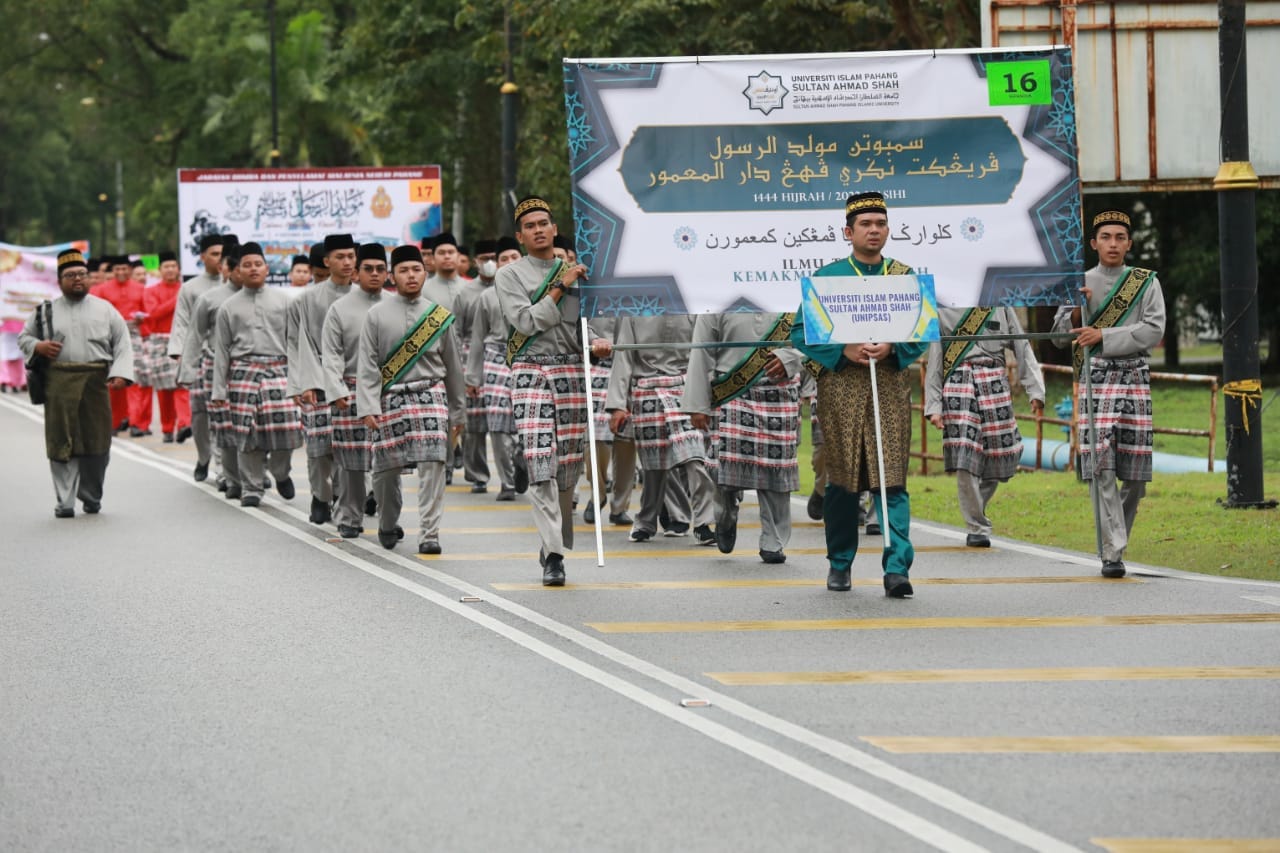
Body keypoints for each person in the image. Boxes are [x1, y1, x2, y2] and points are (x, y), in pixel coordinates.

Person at [790, 191, 929, 597]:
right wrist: (842, 350)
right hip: (841, 388)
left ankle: (897, 568)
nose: (874, 230)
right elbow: (801, 331)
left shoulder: (903, 277)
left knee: (892, 478)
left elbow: (921, 328)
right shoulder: (828, 277)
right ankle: (840, 564)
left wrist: (892, 347)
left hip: (887, 384)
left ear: (888, 230)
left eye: (880, 224)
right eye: (866, 225)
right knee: (843, 480)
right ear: (849, 232)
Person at [495, 196, 611, 586]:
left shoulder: (578, 271)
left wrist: (597, 342)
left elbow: (583, 326)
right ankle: (555, 558)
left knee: (567, 467)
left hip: (570, 371)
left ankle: (552, 542)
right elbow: (526, 323)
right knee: (540, 461)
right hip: (529, 372)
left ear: (554, 228)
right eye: (530, 226)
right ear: (520, 235)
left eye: (544, 222)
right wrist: (561, 287)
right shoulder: (509, 276)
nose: (539, 229)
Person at [1052, 209, 1165, 578]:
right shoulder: (1078, 281)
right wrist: (1075, 314)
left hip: (1134, 375)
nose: (1113, 243)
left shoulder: (1146, 282)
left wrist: (1104, 335)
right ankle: (1112, 552)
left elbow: (1152, 331)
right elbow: (1057, 336)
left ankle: (1117, 537)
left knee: (1135, 473)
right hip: (1095, 377)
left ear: (1129, 243)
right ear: (1094, 243)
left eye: (1120, 237)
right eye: (1106, 237)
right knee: (1101, 464)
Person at [357, 245, 466, 553]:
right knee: (386, 468)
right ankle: (388, 520)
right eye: (403, 270)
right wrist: (367, 406)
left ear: (424, 272)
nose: (411, 275)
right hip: (390, 397)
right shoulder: (375, 316)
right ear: (393, 276)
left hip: (430, 394)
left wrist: (458, 412)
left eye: (416, 270)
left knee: (434, 464)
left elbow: (454, 368)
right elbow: (367, 365)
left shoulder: (439, 317)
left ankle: (430, 533)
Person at [19, 248, 133, 517]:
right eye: (70, 275)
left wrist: (120, 373)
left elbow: (122, 343)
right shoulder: (44, 312)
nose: (78, 279)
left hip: (96, 383)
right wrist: (39, 346)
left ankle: (92, 496)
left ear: (89, 278)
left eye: (82, 274)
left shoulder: (106, 310)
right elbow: (24, 338)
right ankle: (65, 502)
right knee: (61, 441)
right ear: (59, 281)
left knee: (97, 442)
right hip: (58, 383)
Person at [683, 313, 805, 563]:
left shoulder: (789, 294)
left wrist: (791, 357)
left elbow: (815, 340)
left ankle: (773, 541)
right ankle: (725, 514)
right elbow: (701, 351)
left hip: (779, 393)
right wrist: (697, 404)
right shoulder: (715, 298)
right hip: (731, 393)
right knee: (723, 471)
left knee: (775, 470)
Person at [925, 307, 1045, 547]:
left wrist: (1035, 389)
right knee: (964, 456)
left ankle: (976, 509)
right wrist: (934, 405)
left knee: (1001, 456)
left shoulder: (999, 303)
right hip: (958, 383)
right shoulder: (941, 306)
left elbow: (1022, 347)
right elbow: (935, 357)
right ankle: (977, 526)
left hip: (995, 382)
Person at [209, 243, 302, 507]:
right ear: (237, 270)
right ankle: (251, 487)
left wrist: (301, 380)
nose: (252, 269)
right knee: (246, 434)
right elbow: (222, 351)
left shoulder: (285, 301)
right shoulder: (228, 307)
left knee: (288, 431)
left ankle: (280, 471)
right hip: (243, 373)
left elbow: (295, 343)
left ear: (267, 268)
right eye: (246, 265)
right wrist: (218, 390)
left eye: (257, 264)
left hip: (278, 371)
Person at [608, 315, 715, 545]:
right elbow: (623, 355)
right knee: (653, 466)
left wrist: (705, 392)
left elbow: (703, 351)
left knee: (695, 456)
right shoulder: (631, 308)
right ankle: (646, 522)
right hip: (647, 390)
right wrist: (617, 404)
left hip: (685, 388)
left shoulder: (693, 303)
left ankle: (705, 522)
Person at [289, 233, 356, 524]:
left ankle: (345, 497)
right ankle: (321, 495)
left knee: (351, 446)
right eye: (339, 257)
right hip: (316, 381)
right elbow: (297, 343)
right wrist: (303, 384)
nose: (346, 262)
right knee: (319, 448)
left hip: (354, 380)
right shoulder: (306, 300)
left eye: (351, 256)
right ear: (327, 261)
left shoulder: (365, 297)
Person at [322, 243, 386, 538]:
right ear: (357, 273)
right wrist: (335, 388)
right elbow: (332, 354)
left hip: (388, 391)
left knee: (390, 460)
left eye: (380, 269)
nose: (374, 274)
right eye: (368, 268)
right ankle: (349, 516)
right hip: (349, 389)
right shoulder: (339, 309)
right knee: (351, 461)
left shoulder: (396, 305)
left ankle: (389, 518)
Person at [465, 236, 527, 501]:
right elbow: (478, 337)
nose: (509, 263)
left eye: (514, 257)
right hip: (495, 359)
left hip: (527, 358)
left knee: (528, 422)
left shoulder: (536, 292)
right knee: (498, 426)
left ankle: (522, 457)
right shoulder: (487, 297)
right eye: (504, 259)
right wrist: (472, 376)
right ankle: (508, 482)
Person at [180, 239, 243, 495]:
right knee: (207, 419)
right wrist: (185, 364)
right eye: (215, 255)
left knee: (243, 423)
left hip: (245, 367)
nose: (220, 261)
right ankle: (210, 460)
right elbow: (188, 328)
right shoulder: (196, 291)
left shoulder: (253, 291)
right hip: (208, 361)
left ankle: (247, 472)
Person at [168, 234, 224, 469]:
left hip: (227, 358)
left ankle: (224, 467)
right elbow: (181, 322)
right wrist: (180, 353)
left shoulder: (234, 284)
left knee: (224, 413)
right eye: (214, 254)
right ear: (202, 257)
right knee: (200, 414)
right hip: (199, 357)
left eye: (223, 254)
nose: (219, 259)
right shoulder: (190, 288)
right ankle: (204, 456)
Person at [92, 256, 147, 433]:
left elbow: (148, 313)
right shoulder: (101, 290)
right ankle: (114, 422)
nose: (121, 272)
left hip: (134, 336)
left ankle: (135, 423)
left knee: (135, 379)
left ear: (130, 270)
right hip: (111, 337)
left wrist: (142, 321)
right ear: (112, 271)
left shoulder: (141, 289)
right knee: (113, 380)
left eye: (125, 269)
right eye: (118, 269)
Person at [141, 251, 192, 443]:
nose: (170, 270)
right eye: (166, 267)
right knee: (164, 389)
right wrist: (177, 298)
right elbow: (153, 313)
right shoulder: (151, 291)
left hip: (183, 339)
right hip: (160, 341)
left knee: (183, 383)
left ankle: (185, 424)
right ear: (160, 270)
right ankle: (168, 427)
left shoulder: (187, 289)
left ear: (178, 269)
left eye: (173, 266)